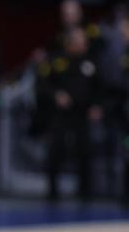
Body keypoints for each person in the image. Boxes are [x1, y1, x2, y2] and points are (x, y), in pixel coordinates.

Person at [39, 26, 103, 201]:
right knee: (56, 150)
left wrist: (97, 105)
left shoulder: (91, 62)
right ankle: (52, 191)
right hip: (61, 113)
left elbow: (100, 87)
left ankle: (85, 192)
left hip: (82, 113)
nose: (83, 45)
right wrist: (56, 95)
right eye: (80, 41)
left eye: (84, 41)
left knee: (85, 150)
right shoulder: (57, 60)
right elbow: (44, 83)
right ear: (70, 43)